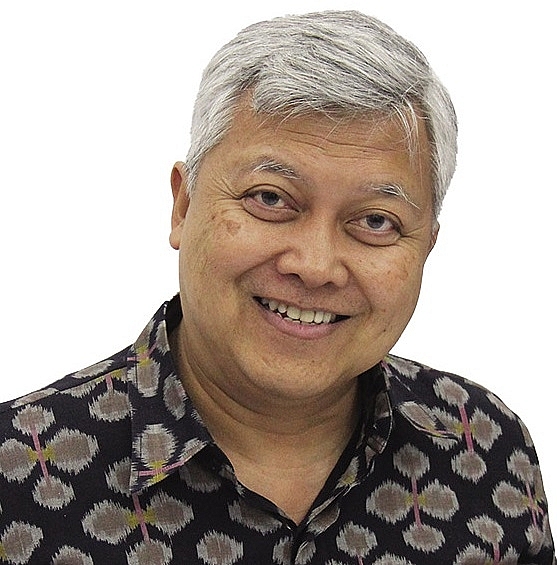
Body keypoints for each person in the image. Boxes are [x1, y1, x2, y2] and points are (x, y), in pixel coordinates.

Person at [0, 9, 553, 564]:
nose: (315, 266)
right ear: (183, 205)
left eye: (375, 221)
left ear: (427, 245)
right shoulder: (17, 474)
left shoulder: (485, 448)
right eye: (270, 198)